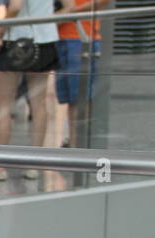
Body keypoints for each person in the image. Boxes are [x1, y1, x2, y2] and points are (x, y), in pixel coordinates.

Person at [0, 0, 59, 181]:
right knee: (39, 104)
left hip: (17, 39)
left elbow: (16, 6)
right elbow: (69, 6)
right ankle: (33, 164)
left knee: (4, 104)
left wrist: (1, 27)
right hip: (45, 39)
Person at [55, 0, 108, 148]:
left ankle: (79, 142)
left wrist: (71, 11)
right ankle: (74, 140)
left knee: (81, 97)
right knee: (72, 99)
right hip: (61, 36)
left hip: (81, 37)